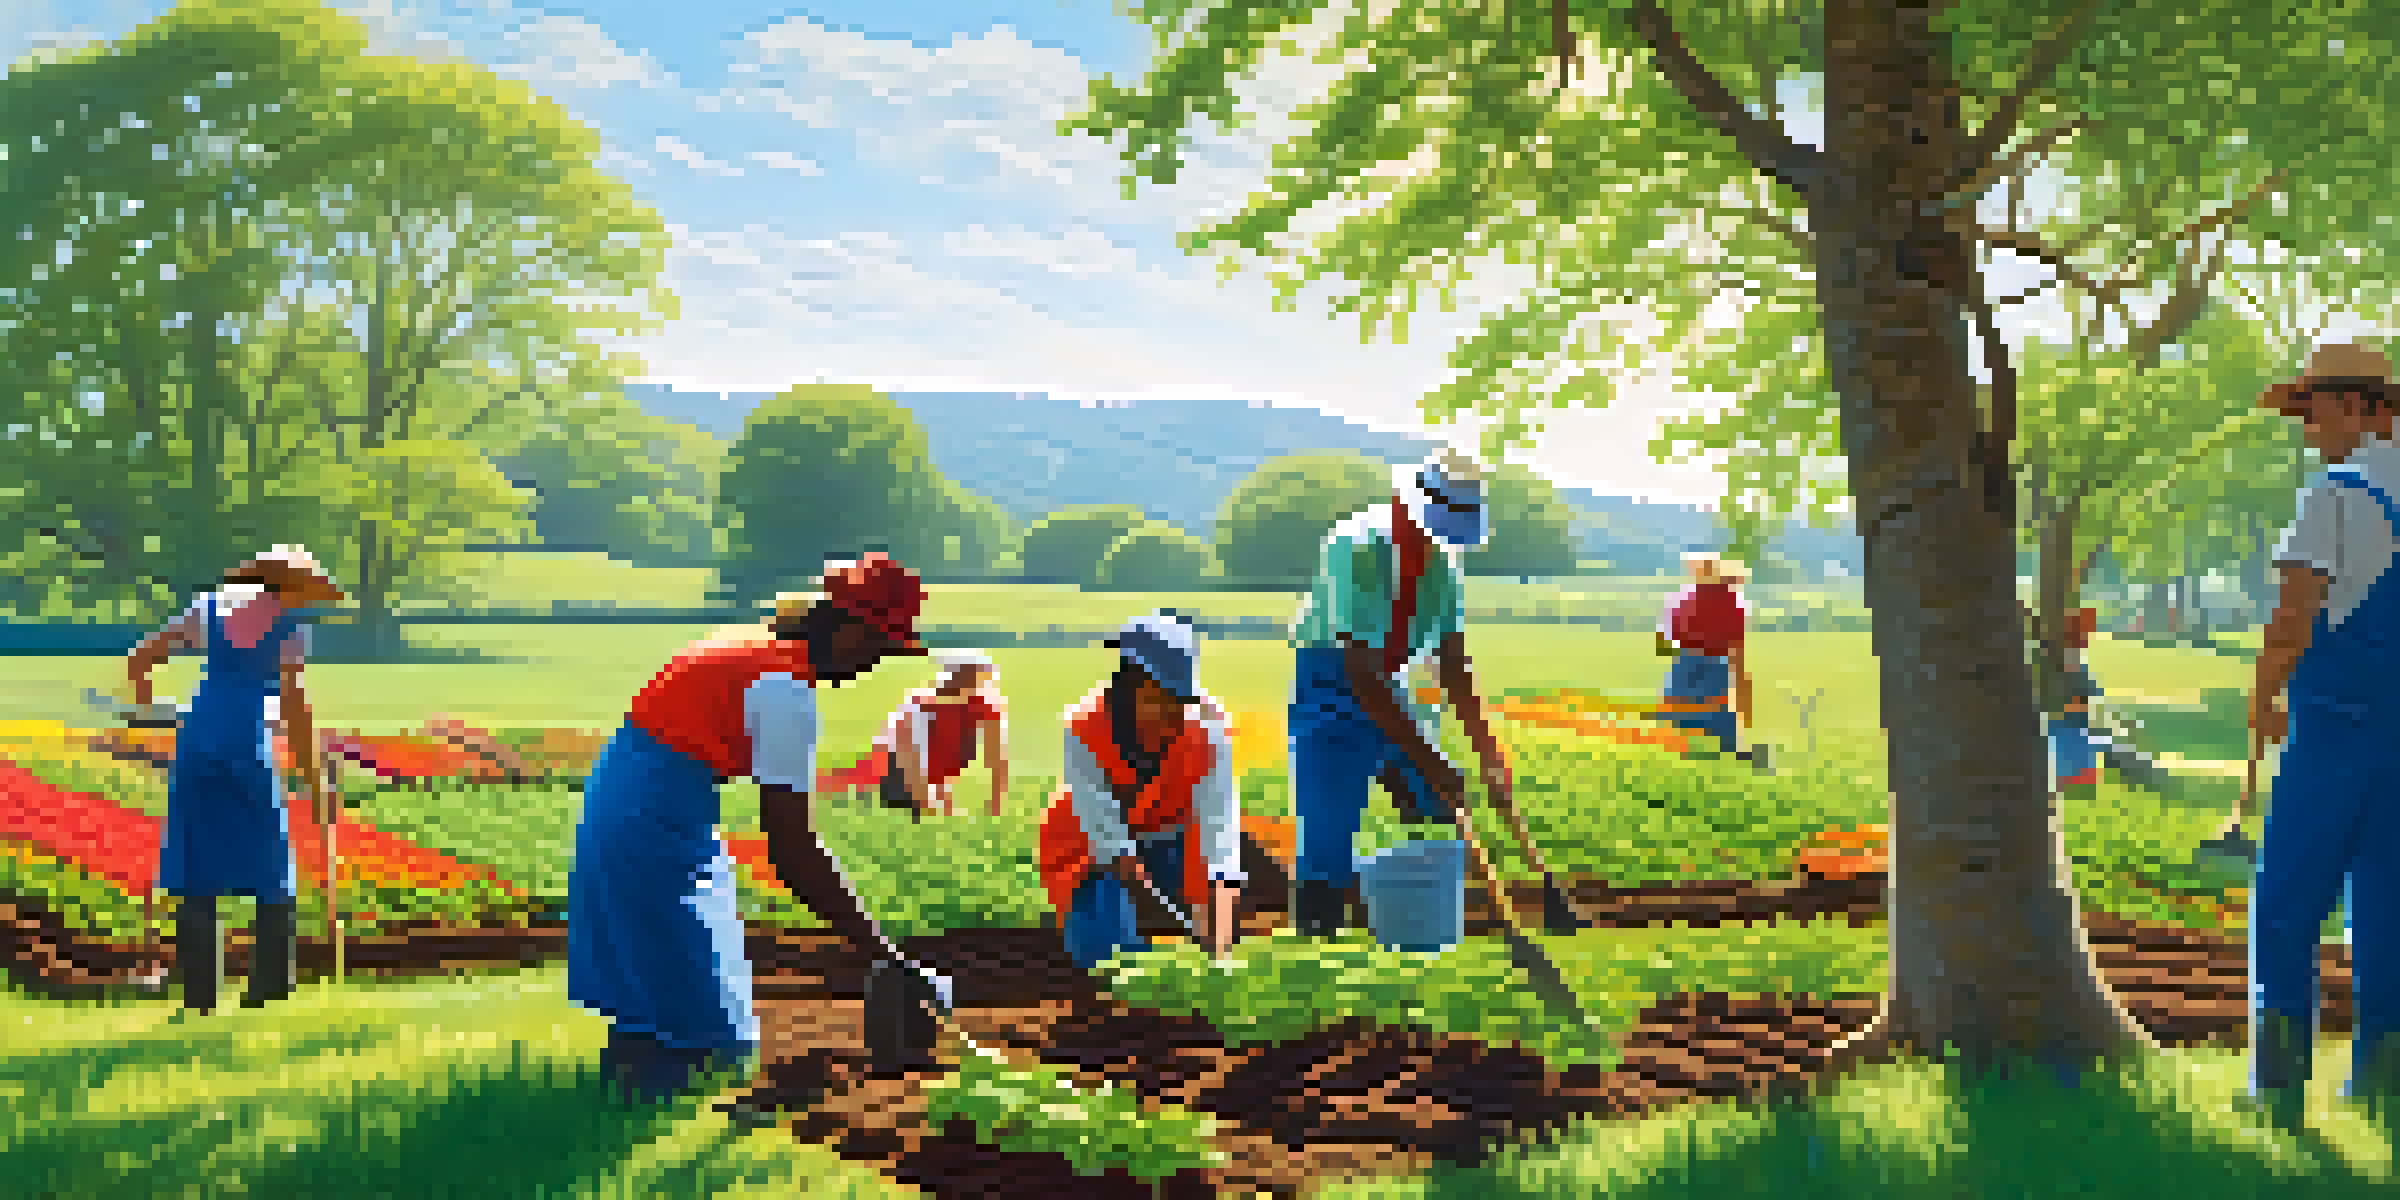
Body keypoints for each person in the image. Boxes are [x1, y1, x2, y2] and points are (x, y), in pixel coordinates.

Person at [569, 552, 952, 1104]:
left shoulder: (755, 650)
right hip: (649, 823)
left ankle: (630, 1089)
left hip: (654, 805)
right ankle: (646, 1107)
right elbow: (792, 848)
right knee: (706, 1037)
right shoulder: (783, 690)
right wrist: (883, 952)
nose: (874, 664)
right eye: (877, 646)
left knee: (667, 983)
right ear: (844, 629)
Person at [1285, 449, 1552, 937]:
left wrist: (1488, 751)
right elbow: (1359, 670)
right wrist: (1429, 756)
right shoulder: (1358, 546)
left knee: (1440, 802)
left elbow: (1452, 662)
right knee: (1328, 822)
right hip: (1330, 679)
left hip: (1387, 681)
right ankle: (1318, 934)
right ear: (1405, 504)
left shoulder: (1444, 568)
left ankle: (1419, 914)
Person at [2244, 342, 2400, 1124]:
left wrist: (2266, 692)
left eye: (2314, 413)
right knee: (2388, 906)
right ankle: (2384, 1083)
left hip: (2335, 730)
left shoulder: (2336, 493)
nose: (2310, 432)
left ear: (2359, 407)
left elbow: (2297, 609)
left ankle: (2276, 1092)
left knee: (2285, 903)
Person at [124, 546, 345, 1016]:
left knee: (196, 868)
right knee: (269, 859)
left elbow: (141, 657)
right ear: (292, 590)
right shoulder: (290, 630)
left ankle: (200, 995)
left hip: (198, 739)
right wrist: (314, 776)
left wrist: (146, 705)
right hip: (249, 744)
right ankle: (267, 987)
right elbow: (295, 707)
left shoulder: (207, 610)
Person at [1038, 612, 1245, 967]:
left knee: (1221, 908)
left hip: (1172, 844)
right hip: (1093, 853)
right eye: (1161, 701)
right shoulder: (1083, 730)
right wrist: (1171, 921)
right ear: (1132, 686)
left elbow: (1218, 831)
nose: (1172, 718)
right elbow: (1113, 847)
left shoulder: (1208, 728)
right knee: (1111, 956)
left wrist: (1218, 939)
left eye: (1179, 704)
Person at [872, 649, 1010, 819]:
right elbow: (902, 749)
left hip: (932, 776)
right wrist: (923, 794)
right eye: (969, 675)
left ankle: (930, 795)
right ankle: (919, 796)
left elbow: (996, 754)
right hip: (898, 773)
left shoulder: (984, 706)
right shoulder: (923, 704)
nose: (977, 683)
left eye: (980, 677)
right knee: (912, 807)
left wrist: (997, 799)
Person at [1654, 553, 1760, 765]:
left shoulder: (1687, 597)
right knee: (1719, 708)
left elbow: (1670, 633)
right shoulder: (1734, 603)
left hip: (1686, 658)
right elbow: (1736, 644)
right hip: (1715, 660)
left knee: (1680, 703)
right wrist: (1739, 673)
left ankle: (1681, 746)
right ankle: (1732, 748)